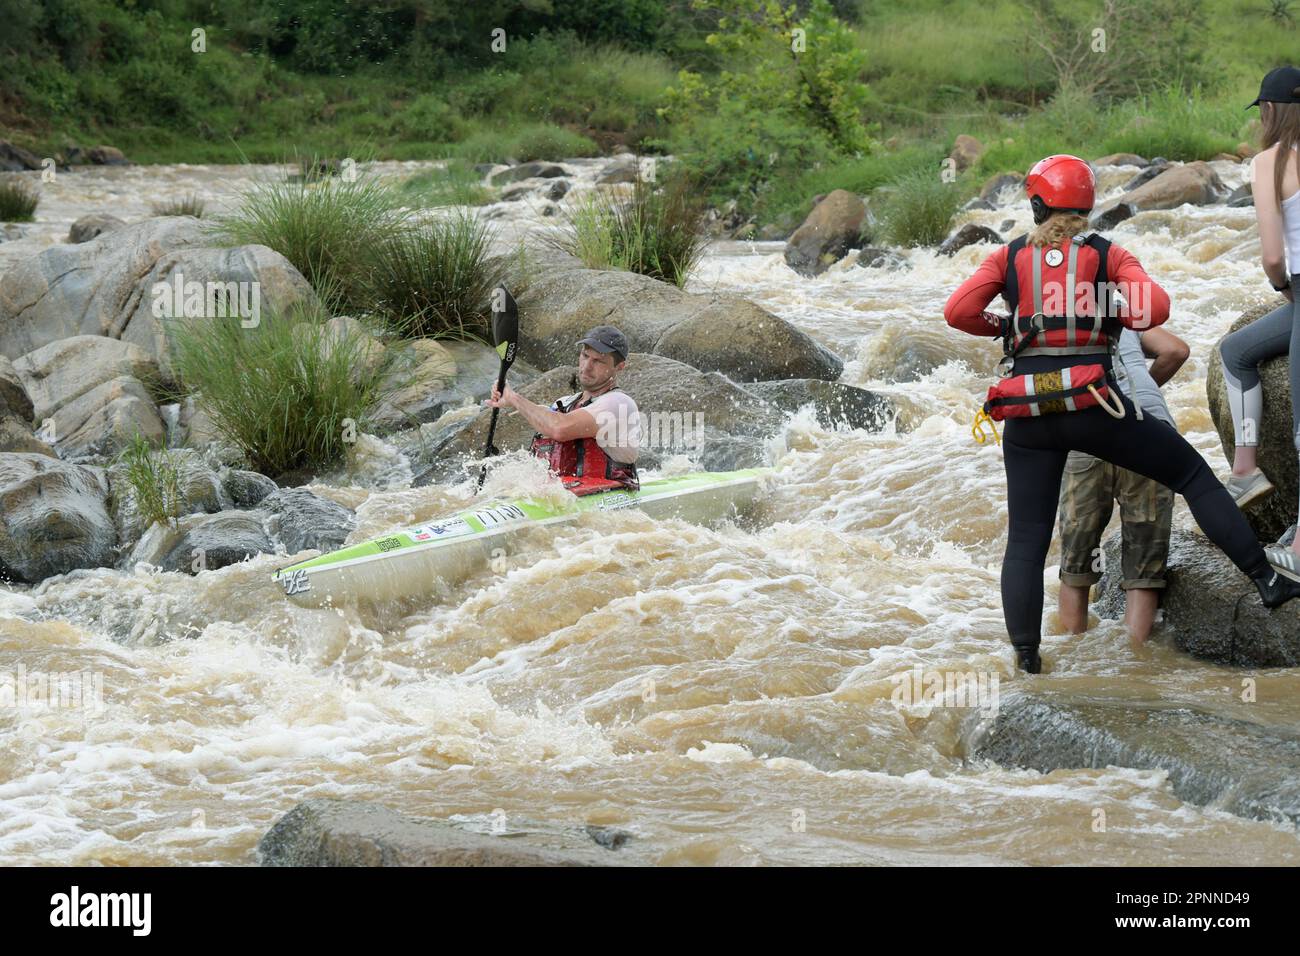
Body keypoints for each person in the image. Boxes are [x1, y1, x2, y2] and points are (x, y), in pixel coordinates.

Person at [944, 152, 1300, 675]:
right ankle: (1267, 581)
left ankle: (1026, 655)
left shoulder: (1008, 257)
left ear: (1037, 203)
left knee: (1026, 535)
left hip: (1028, 416)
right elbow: (1154, 311)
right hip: (1096, 406)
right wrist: (1109, 307)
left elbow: (958, 313)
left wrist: (1006, 328)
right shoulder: (1108, 254)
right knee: (1192, 475)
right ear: (1087, 205)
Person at [1215, 67, 1300, 579]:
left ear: (1268, 112)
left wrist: (1285, 290)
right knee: (1238, 350)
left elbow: (1273, 257)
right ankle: (1245, 470)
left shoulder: (1269, 163)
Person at [1057, 327, 1187, 644]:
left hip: (1087, 429)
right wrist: (1139, 392)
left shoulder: (1052, 319)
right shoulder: (1126, 317)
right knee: (1144, 568)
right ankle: (1132, 658)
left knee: (1077, 563)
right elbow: (1175, 350)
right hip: (1150, 429)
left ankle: (1073, 653)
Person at [485, 324, 641, 494]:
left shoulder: (619, 403)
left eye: (598, 361)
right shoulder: (565, 403)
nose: (587, 366)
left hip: (606, 498)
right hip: (560, 498)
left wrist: (515, 398)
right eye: (585, 356)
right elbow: (545, 417)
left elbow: (560, 428)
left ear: (619, 366)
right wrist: (508, 399)